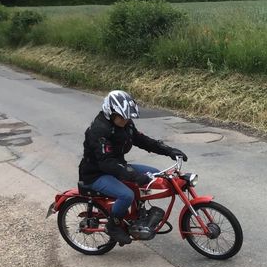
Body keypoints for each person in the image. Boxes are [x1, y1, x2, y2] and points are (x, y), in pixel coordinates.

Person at [78, 90, 187, 245]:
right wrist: (133, 176)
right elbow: (106, 162)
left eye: (128, 117)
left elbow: (142, 140)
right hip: (96, 173)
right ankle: (113, 225)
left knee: (155, 174)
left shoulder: (125, 124)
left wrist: (168, 150)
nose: (126, 120)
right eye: (122, 117)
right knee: (126, 195)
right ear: (111, 112)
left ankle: (138, 214)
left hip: (117, 166)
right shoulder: (99, 130)